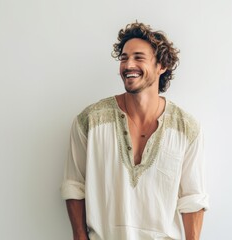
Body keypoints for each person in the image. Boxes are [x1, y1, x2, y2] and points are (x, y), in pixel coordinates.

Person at [61, 22, 209, 240]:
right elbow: (74, 186)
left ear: (162, 66)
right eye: (123, 58)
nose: (128, 64)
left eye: (139, 57)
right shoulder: (90, 121)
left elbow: (193, 199)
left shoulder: (186, 128)